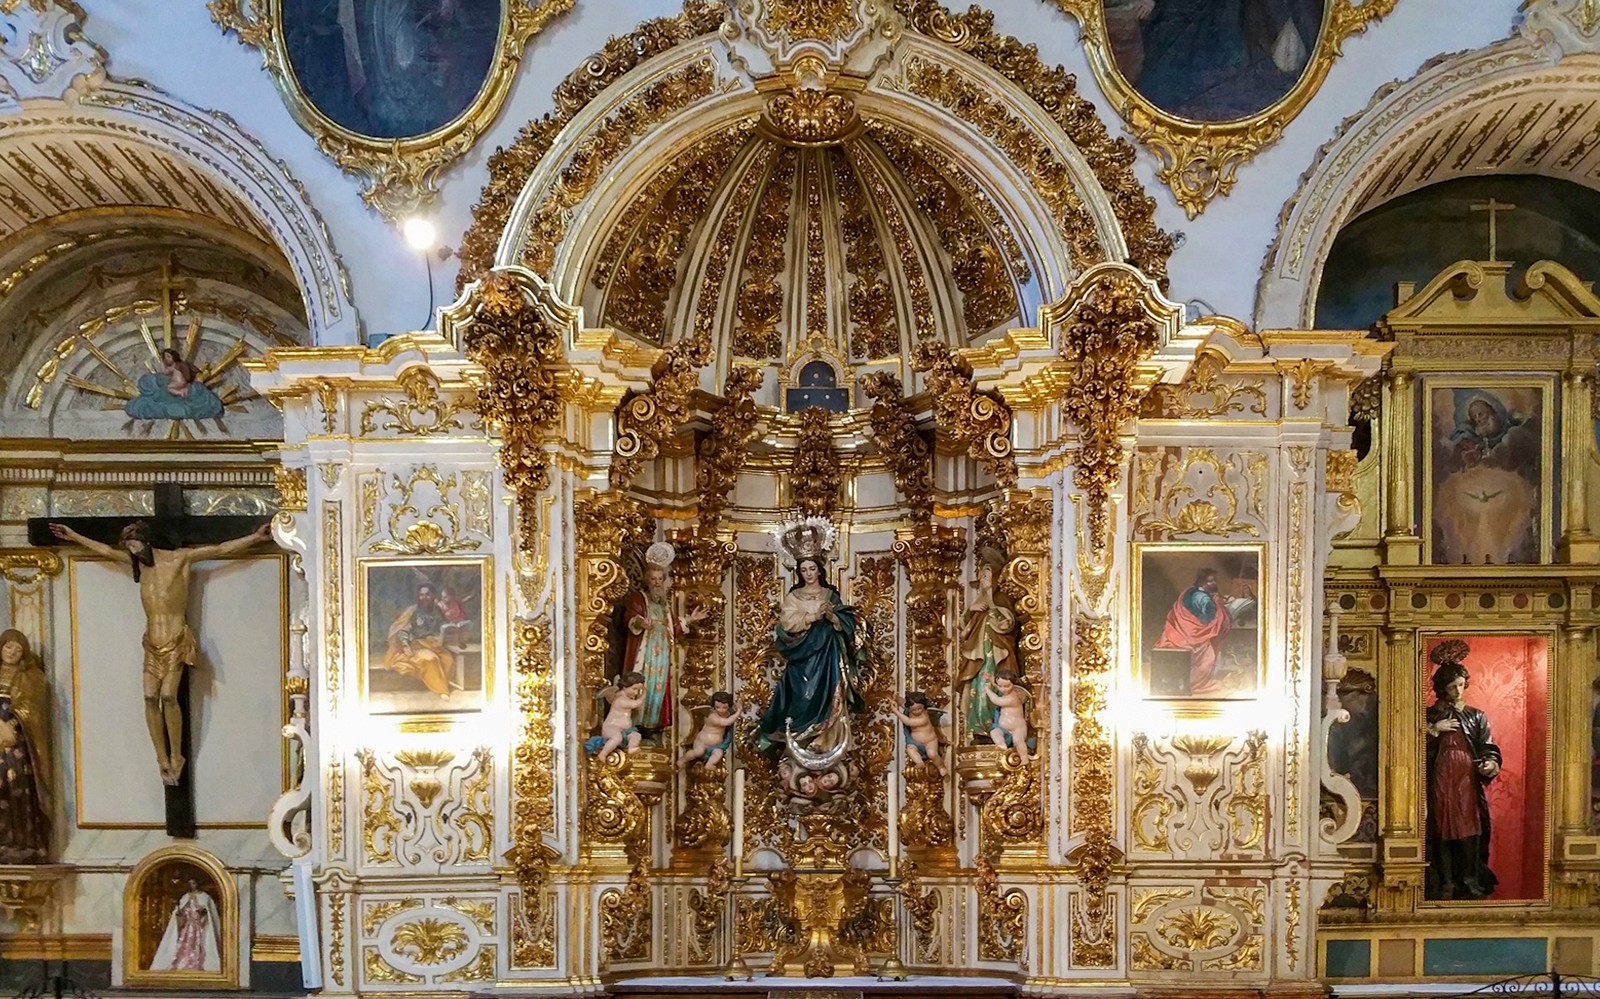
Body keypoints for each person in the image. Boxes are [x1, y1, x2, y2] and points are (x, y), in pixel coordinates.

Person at [49, 519, 271, 785]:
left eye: (135, 546)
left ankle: (177, 755)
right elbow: (105, 551)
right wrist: (74, 536)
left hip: (175, 639)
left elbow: (221, 549)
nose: (133, 552)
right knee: (149, 696)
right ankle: (161, 758)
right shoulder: (139, 566)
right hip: (151, 643)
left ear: (147, 542)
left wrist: (256, 538)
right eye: (129, 548)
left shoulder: (179, 559)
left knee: (167, 695)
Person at [757, 556, 867, 754]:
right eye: (804, 570)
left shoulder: (830, 595)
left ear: (819, 571)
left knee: (830, 695)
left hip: (827, 655)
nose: (808, 574)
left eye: (812, 568)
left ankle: (825, 742)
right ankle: (798, 743)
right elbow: (786, 623)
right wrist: (813, 617)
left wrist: (832, 616)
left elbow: (846, 624)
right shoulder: (794, 596)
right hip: (801, 654)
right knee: (802, 697)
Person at [1424, 640, 1501, 901]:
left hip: (1465, 777)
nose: (1457, 690)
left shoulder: (1475, 716)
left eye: (1460, 684)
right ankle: (1445, 881)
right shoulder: (1428, 716)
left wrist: (1490, 763)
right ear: (1441, 689)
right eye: (1451, 686)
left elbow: (1487, 746)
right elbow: (1407, 747)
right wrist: (1433, 730)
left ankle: (1469, 879)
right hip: (1440, 774)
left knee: (1468, 826)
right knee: (1441, 826)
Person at [1434, 392, 1538, 564]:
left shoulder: (1513, 433)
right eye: (1474, 417)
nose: (1478, 419)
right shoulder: (1468, 438)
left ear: (1493, 411)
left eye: (1481, 414)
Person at [620, 543, 707, 735]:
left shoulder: (664, 604)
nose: (657, 583)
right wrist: (640, 622)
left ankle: (653, 723)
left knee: (658, 686)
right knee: (642, 683)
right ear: (647, 580)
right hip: (645, 650)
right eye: (653, 579)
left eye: (660, 579)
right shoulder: (639, 598)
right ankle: (636, 722)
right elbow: (629, 618)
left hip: (662, 653)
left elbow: (673, 627)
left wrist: (691, 619)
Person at [957, 548, 1018, 743]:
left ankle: (996, 728)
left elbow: (1008, 623)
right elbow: (964, 626)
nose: (982, 579)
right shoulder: (979, 601)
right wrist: (971, 610)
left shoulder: (1001, 599)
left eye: (986, 575)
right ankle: (979, 729)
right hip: (978, 656)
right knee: (977, 689)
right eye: (981, 575)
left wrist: (992, 610)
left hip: (996, 652)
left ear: (996, 577)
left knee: (995, 686)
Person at [0, 630, 50, 863]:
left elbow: (32, 710)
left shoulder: (30, 677)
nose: (12, 653)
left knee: (15, 785)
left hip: (15, 744)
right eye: (9, 647)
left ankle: (19, 842)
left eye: (18, 650)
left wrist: (10, 725)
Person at [1153, 568, 1236, 695]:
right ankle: (1195, 683)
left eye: (1214, 580)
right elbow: (1208, 621)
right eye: (1210, 581)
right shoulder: (1204, 599)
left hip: (1177, 633)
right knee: (1209, 655)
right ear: (1202, 582)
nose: (1214, 583)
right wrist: (1219, 607)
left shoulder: (1189, 591)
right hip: (1193, 636)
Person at [383, 580, 462, 698]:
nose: (424, 598)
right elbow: (402, 630)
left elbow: (443, 628)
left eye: (428, 595)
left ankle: (439, 684)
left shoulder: (437, 611)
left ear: (433, 596)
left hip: (434, 645)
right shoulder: (413, 612)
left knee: (448, 660)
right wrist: (405, 645)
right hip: (416, 645)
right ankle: (443, 691)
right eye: (421, 595)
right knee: (430, 659)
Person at [124, 348, 226, 427]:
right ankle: (180, 392)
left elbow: (168, 372)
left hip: (179, 383)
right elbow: (167, 372)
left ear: (174, 357)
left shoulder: (177, 365)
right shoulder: (178, 366)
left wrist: (189, 381)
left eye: (169, 357)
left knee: (169, 389)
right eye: (166, 357)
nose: (167, 359)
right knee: (168, 389)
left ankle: (180, 393)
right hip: (181, 384)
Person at [150, 877, 221, 972]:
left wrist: (202, 912)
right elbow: (181, 911)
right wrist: (181, 913)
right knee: (185, 944)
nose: (192, 886)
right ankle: (183, 962)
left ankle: (199, 963)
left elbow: (208, 912)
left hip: (199, 927)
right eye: (190, 884)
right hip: (187, 926)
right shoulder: (185, 897)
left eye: (194, 883)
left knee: (199, 944)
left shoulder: (204, 897)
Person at [586, 671, 646, 762]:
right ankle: (603, 754)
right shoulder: (620, 700)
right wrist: (643, 695)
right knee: (617, 738)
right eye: (634, 689)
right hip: (611, 728)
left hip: (624, 731)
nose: (636, 692)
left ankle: (631, 748)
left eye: (638, 690)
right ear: (625, 686)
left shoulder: (627, 698)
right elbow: (636, 704)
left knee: (636, 735)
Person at [985, 669, 1033, 765]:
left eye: (1007, 686)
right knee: (994, 732)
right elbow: (999, 684)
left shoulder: (1014, 697)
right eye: (1000, 686)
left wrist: (987, 690)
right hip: (1003, 729)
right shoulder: (1005, 692)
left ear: (1013, 684)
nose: (1003, 689)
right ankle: (1002, 746)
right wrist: (991, 680)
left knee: (1018, 740)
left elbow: (997, 700)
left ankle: (1024, 759)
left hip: (1018, 728)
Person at [679, 691, 736, 770]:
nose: (721, 710)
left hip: (716, 745)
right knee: (698, 752)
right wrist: (738, 712)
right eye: (718, 707)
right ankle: (682, 760)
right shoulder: (713, 716)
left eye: (724, 708)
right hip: (702, 742)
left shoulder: (728, 714)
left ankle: (709, 764)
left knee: (718, 753)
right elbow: (727, 722)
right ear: (714, 706)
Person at [895, 691, 947, 775]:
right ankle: (919, 762)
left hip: (930, 741)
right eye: (913, 709)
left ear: (924, 706)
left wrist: (895, 711)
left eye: (919, 708)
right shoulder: (909, 711)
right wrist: (896, 698)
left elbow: (908, 722)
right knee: (910, 749)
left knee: (932, 754)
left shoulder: (924, 717)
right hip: (915, 742)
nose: (917, 711)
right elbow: (903, 703)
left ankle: (941, 767)